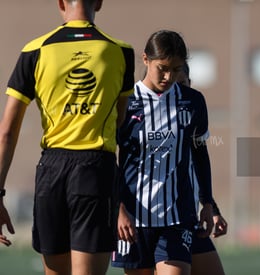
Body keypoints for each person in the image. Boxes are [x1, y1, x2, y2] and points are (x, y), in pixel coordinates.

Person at [0, 0, 135, 274]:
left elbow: (6, 132)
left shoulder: (34, 50)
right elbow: (122, 126)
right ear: (99, 2)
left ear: (61, 2)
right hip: (96, 170)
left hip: (51, 171)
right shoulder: (121, 51)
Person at [112, 30, 214, 275]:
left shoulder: (192, 101)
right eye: (163, 68)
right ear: (146, 59)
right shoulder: (124, 101)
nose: (169, 76)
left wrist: (208, 203)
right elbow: (106, 159)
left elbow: (200, 154)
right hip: (133, 220)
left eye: (177, 69)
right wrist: (117, 209)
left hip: (177, 218)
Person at [175, 62, 227, 275]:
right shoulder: (145, 112)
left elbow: (197, 163)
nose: (178, 90)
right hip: (157, 222)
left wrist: (211, 207)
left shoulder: (193, 109)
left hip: (189, 218)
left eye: (182, 84)